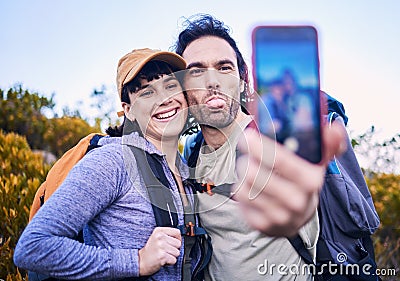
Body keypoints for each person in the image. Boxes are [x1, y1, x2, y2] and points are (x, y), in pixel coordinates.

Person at [175, 14, 346, 280]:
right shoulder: (190, 153)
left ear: (243, 80)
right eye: (196, 70)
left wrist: (298, 207)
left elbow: (299, 194)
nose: (212, 82)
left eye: (224, 67)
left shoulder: (272, 138)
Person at [14, 48, 205, 280]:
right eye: (146, 93)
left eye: (170, 86)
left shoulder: (186, 171)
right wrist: (137, 261)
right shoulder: (114, 160)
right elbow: (33, 247)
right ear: (129, 111)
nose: (163, 99)